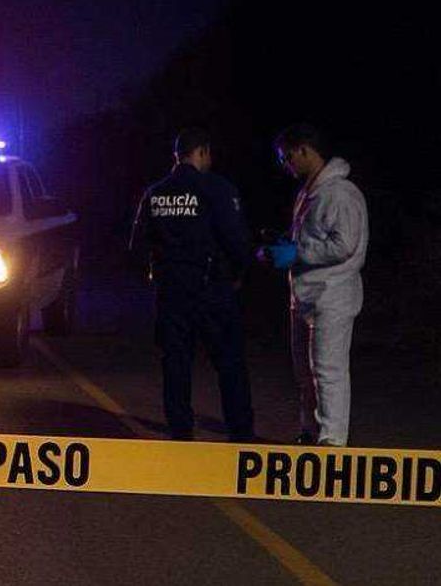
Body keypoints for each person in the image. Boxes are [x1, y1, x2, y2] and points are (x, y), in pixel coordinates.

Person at [131, 127, 255, 442]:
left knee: (176, 360)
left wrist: (155, 272)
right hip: (212, 288)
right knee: (228, 361)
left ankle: (180, 428)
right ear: (201, 152)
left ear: (177, 156)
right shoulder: (217, 188)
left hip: (171, 290)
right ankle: (240, 431)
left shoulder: (154, 193)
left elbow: (137, 245)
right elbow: (236, 239)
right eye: (208, 155)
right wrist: (239, 272)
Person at [261, 124, 367, 447]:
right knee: (305, 374)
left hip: (332, 294)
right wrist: (284, 248)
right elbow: (315, 241)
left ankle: (332, 441)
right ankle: (310, 432)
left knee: (328, 370)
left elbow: (345, 244)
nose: (285, 163)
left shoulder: (341, 193)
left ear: (305, 149)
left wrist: (297, 252)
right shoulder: (310, 192)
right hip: (306, 295)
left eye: (288, 156)